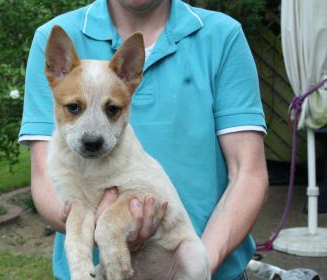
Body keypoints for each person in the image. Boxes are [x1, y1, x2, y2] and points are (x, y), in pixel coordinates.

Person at [18, 0, 269, 279]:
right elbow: (45, 177)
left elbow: (248, 172)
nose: (91, 133)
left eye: (112, 110)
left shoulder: (222, 35)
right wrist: (93, 223)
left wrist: (197, 267)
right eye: (74, 108)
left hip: (202, 265)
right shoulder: (55, 36)